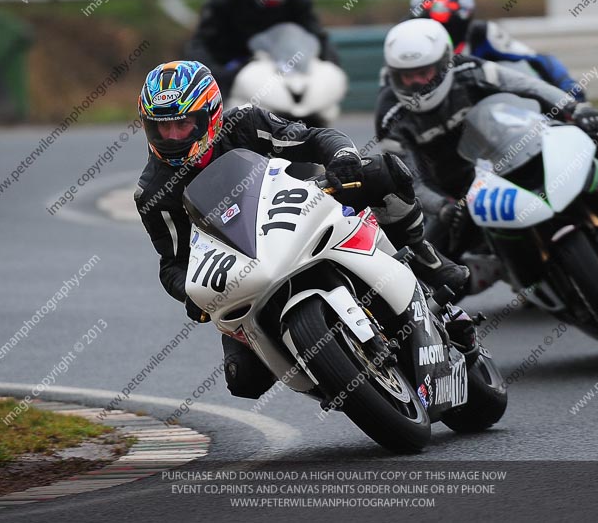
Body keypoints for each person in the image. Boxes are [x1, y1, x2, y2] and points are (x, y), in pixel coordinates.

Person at [134, 60, 468, 400]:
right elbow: (173, 263)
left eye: (184, 124)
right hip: (247, 267)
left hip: (304, 207)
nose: (174, 136)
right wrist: (190, 294)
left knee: (383, 172)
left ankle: (424, 258)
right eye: (163, 128)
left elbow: (314, 138)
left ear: (211, 114)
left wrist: (341, 156)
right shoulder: (153, 193)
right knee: (243, 380)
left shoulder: (245, 124)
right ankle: (329, 373)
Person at [374, 19, 598, 292]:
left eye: (423, 73)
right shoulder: (389, 115)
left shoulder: (470, 69)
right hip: (455, 195)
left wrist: (575, 110)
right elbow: (407, 180)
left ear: (445, 63)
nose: (416, 84)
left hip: (504, 158)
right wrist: (443, 207)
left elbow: (527, 86)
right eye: (407, 76)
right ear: (393, 74)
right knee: (427, 265)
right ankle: (496, 268)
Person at [407, 0, 586, 101]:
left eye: (451, 26)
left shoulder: (481, 33)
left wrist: (569, 91)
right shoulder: (406, 42)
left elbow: (539, 59)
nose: (444, 35)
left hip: (486, 119)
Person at [185, 0, 339, 96]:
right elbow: (200, 43)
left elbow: (317, 37)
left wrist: (331, 67)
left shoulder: (297, 0)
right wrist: (217, 75)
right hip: (233, 74)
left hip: (282, 74)